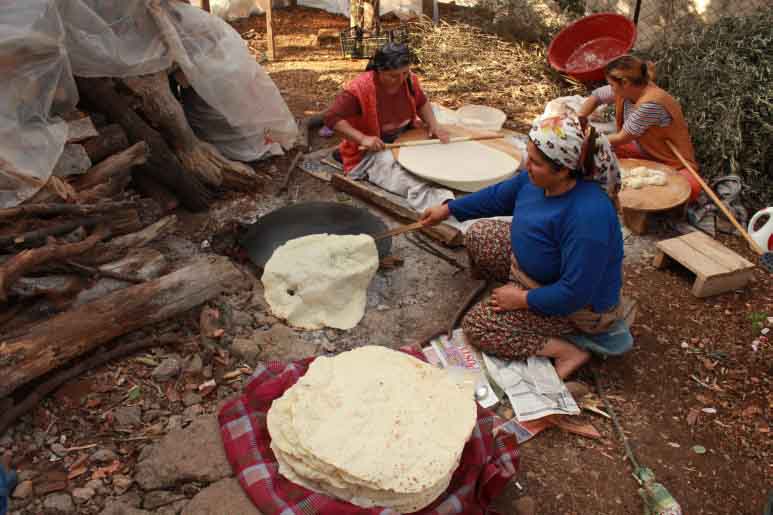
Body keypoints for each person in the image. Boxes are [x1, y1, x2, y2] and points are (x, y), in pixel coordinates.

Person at [420, 113, 632, 379]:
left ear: (564, 169)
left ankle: (567, 350)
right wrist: (448, 209)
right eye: (528, 156)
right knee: (478, 235)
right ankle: (515, 299)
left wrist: (522, 299)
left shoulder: (589, 217)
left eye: (535, 162)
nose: (526, 165)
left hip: (576, 307)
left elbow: (575, 293)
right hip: (538, 273)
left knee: (479, 326)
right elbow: (498, 197)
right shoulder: (537, 181)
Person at [324, 42, 454, 213]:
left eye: (405, 73)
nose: (401, 80)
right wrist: (363, 138)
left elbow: (422, 102)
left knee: (440, 150)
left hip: (405, 134)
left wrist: (434, 125)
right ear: (379, 71)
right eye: (394, 76)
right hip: (373, 147)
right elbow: (331, 118)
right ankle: (439, 203)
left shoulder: (409, 80)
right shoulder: (359, 89)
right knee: (398, 172)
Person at [576, 55, 702, 202]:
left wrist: (585, 142)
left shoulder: (652, 104)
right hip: (643, 148)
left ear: (625, 82)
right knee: (598, 152)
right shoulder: (626, 89)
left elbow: (622, 137)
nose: (610, 88)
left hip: (670, 160)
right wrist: (579, 119)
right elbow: (596, 96)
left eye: (611, 85)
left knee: (690, 188)